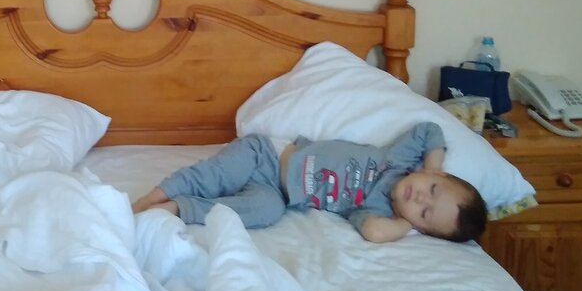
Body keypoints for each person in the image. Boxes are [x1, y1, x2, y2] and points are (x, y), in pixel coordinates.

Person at [130, 122, 487, 243]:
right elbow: (429, 130)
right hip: (267, 155)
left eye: (425, 213)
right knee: (213, 176)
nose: (420, 197)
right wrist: (433, 166)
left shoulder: (374, 209)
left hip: (276, 193)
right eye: (433, 189)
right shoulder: (399, 160)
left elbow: (375, 233)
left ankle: (180, 209)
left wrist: (405, 223)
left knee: (265, 212)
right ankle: (150, 199)